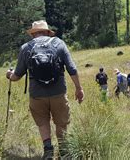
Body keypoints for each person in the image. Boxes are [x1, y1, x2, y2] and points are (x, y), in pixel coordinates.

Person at [6, 20, 84, 159]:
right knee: (61, 122)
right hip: (58, 93)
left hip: (37, 95)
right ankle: (63, 150)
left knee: (42, 122)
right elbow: (72, 69)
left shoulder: (26, 48)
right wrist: (79, 88)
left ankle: (48, 151)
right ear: (48, 32)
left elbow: (17, 76)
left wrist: (9, 75)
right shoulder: (59, 43)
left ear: (33, 34)